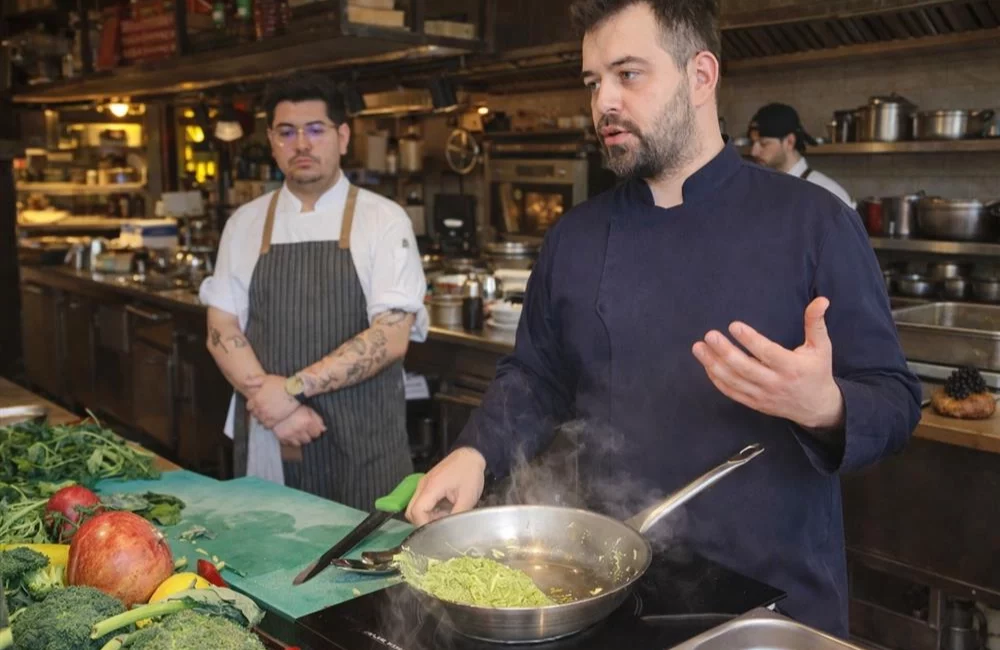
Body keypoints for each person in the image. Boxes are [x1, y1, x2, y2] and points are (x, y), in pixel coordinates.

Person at [405, 0, 920, 638]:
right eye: (594, 82)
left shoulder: (814, 222)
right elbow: (537, 375)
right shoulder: (577, 236)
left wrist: (826, 406)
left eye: (628, 75)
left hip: (770, 600)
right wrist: (475, 455)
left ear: (701, 76)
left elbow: (895, 399)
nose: (603, 104)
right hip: (606, 585)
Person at [199, 74, 428, 510]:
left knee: (365, 573)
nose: (301, 144)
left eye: (315, 129)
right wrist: (271, 405)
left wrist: (289, 392)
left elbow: (393, 335)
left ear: (342, 137)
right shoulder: (244, 223)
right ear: (271, 141)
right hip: (272, 436)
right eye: (286, 132)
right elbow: (221, 324)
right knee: (269, 560)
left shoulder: (384, 220)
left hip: (364, 448)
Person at [748, 102, 853, 207]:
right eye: (752, 143)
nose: (753, 152)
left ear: (789, 142)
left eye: (763, 144)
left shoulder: (827, 194)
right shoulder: (759, 189)